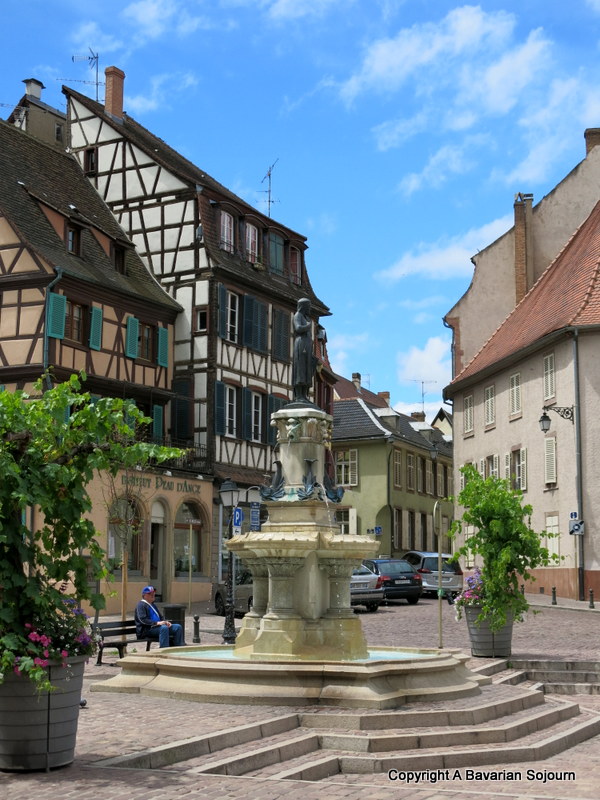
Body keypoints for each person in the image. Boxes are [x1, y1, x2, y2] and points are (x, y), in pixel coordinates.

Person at [292, 298, 316, 403]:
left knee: (307, 370)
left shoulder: (306, 317)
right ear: (304, 306)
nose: (310, 309)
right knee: (300, 369)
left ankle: (304, 395)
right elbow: (298, 328)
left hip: (307, 344)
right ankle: (299, 396)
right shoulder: (297, 315)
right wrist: (308, 326)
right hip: (300, 344)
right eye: (308, 306)